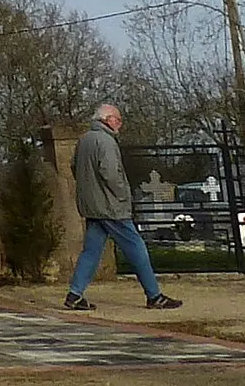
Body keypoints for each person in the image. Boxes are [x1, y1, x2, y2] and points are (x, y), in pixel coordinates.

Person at [65, 102, 181, 310]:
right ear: (107, 120)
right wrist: (122, 195)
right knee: (136, 247)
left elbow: (74, 167)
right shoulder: (106, 141)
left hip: (92, 205)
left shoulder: (84, 140)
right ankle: (154, 296)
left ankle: (75, 294)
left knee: (91, 251)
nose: (120, 123)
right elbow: (110, 173)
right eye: (117, 119)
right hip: (111, 206)